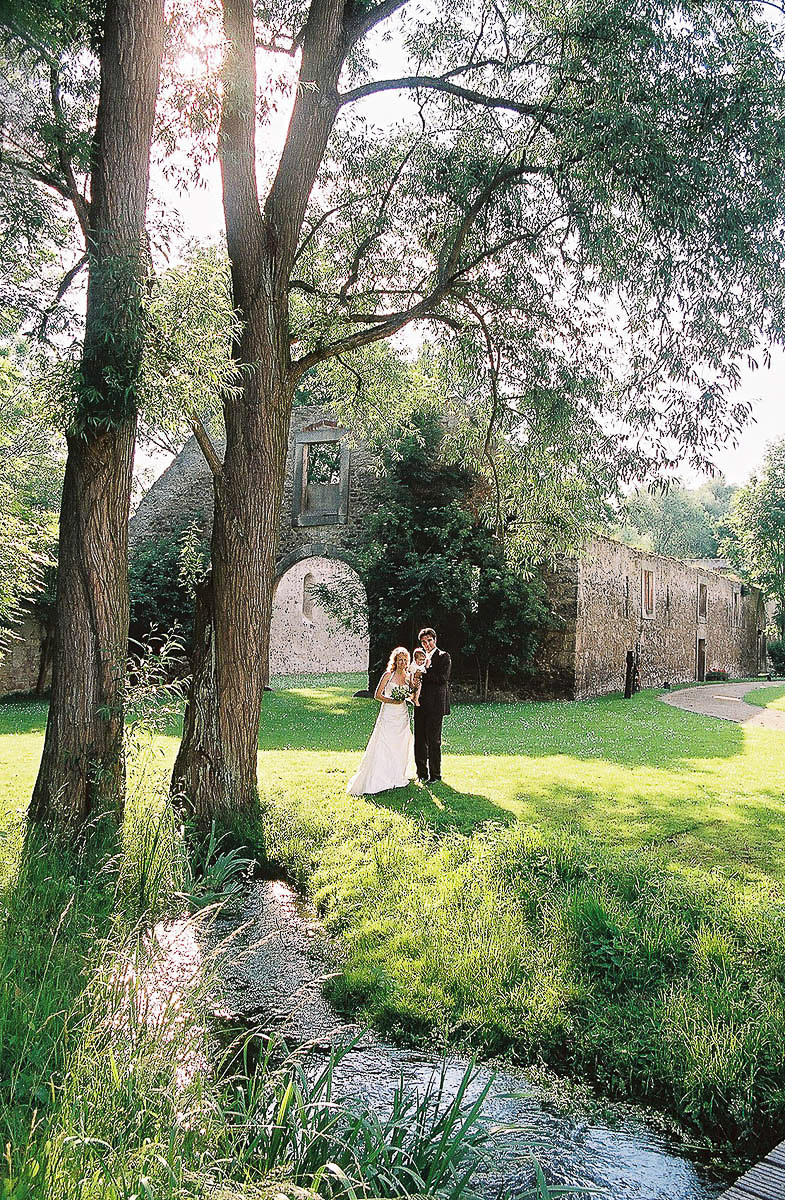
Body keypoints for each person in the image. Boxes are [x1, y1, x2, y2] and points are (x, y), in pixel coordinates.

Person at [347, 646, 415, 795]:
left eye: (405, 660)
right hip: (389, 713)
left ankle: (398, 773)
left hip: (402, 715)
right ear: (395, 661)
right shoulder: (388, 675)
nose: (403, 663)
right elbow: (377, 695)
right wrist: (392, 701)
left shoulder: (408, 676)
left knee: (401, 743)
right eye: (400, 660)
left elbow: (412, 694)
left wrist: (408, 695)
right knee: (385, 742)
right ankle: (381, 776)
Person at [413, 627, 451, 783]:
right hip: (420, 704)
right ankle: (422, 774)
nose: (427, 644)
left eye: (429, 640)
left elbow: (442, 678)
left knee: (433, 741)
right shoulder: (418, 658)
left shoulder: (444, 656)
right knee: (419, 740)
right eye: (423, 642)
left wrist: (423, 674)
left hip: (435, 705)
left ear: (435, 640)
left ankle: (435, 775)